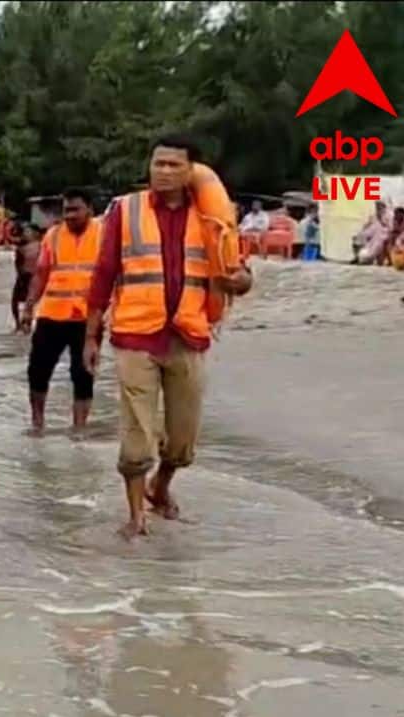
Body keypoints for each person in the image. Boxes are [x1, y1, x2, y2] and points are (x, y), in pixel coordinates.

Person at [83, 135, 252, 540]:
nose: (163, 171)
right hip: (135, 335)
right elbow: (104, 273)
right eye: (158, 163)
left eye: (174, 165)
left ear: (191, 171)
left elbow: (242, 272)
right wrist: (91, 335)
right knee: (137, 433)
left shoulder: (212, 216)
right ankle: (135, 515)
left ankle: (161, 485)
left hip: (188, 335)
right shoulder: (126, 210)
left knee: (182, 438)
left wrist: (241, 281)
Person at [20, 189, 102, 436]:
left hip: (87, 318)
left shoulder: (104, 234)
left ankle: (79, 429)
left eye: (76, 209)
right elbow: (41, 274)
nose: (70, 215)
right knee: (37, 371)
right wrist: (29, 307)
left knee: (83, 375)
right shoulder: (53, 235)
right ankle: (37, 424)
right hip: (51, 315)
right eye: (66, 210)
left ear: (90, 209)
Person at [11, 223, 41, 333]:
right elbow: (18, 263)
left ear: (35, 234)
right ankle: (18, 324)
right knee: (15, 300)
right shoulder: (21, 248)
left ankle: (27, 323)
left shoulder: (41, 246)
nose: (25, 234)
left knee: (30, 301)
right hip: (23, 276)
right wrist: (20, 275)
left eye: (28, 232)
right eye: (24, 232)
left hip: (35, 277)